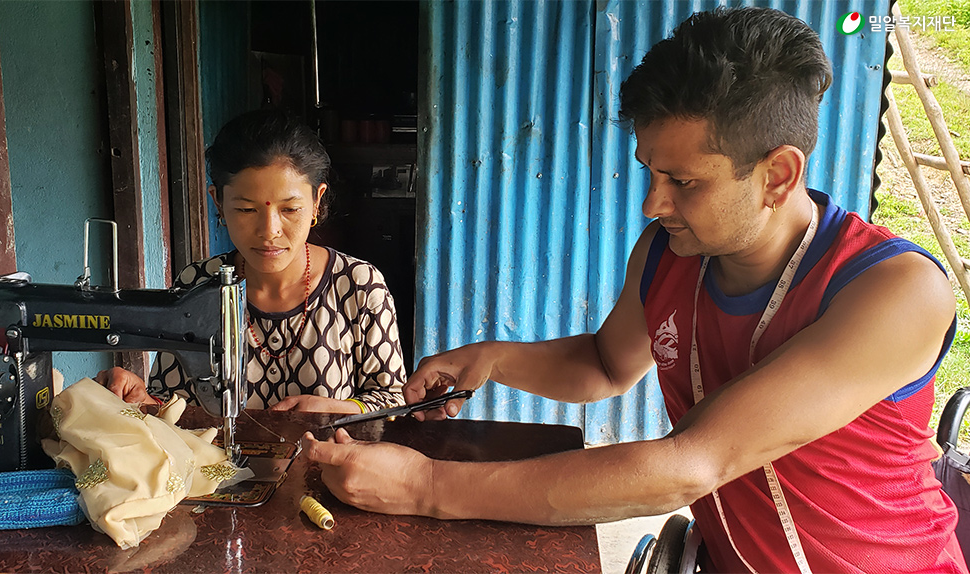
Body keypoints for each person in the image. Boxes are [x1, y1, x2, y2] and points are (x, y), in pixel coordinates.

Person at [302, 7, 967, 573]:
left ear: (777, 175)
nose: (653, 202)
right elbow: (604, 364)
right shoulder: (669, 256)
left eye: (685, 181)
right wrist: (497, 358)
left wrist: (425, 485)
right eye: (650, 171)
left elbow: (692, 464)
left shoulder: (895, 291)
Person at [99, 109, 406, 414]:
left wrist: (338, 409)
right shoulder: (198, 286)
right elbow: (173, 407)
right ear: (218, 201)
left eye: (290, 210)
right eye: (247, 210)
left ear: (316, 201)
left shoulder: (359, 287)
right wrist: (141, 400)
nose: (269, 231)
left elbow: (394, 403)